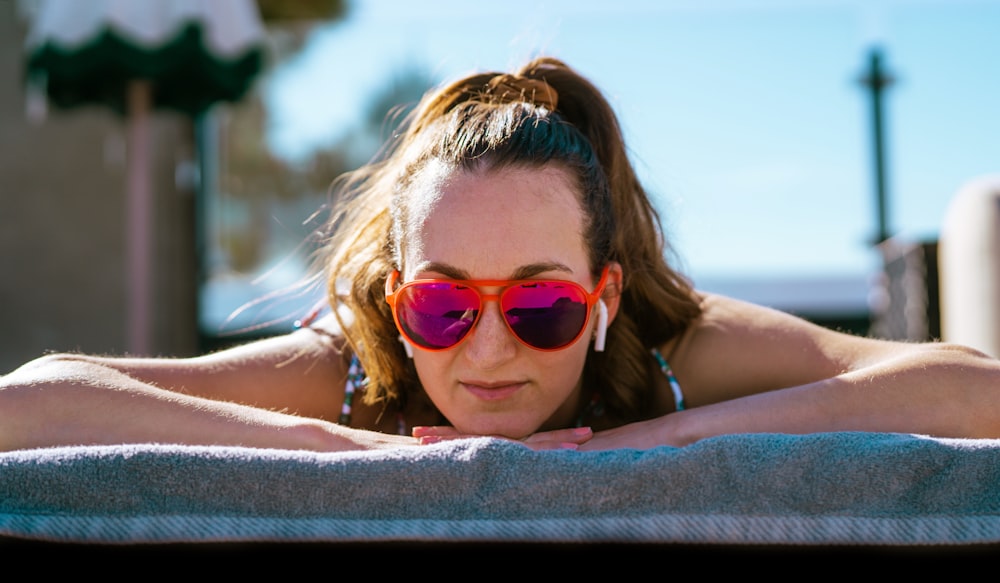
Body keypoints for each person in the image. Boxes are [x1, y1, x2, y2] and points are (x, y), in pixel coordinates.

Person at [3, 56, 999, 453]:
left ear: (602, 297)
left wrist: (639, 445)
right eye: (442, 305)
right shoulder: (355, 367)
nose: (486, 351)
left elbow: (971, 387)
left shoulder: (663, 344)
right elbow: (37, 396)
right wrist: (362, 456)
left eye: (540, 308)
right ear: (396, 303)